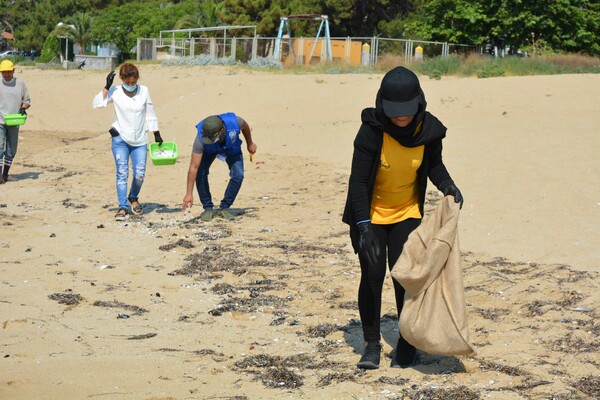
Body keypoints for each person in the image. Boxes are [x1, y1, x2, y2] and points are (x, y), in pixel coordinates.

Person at [342, 66, 463, 370]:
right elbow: (357, 182)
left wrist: (447, 184)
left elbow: (434, 165)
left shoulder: (428, 131)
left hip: (406, 212)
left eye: (406, 111)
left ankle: (407, 344)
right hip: (369, 215)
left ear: (419, 104)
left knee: (405, 277)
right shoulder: (371, 129)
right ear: (383, 105)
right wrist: (363, 226)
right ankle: (371, 344)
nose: (401, 117)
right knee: (371, 275)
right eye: (395, 112)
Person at [92, 63, 164, 221]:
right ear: (122, 79)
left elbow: (150, 113)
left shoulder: (144, 90)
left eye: (133, 82)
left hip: (140, 140)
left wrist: (156, 133)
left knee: (139, 174)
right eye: (127, 82)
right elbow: (97, 103)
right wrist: (106, 86)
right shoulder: (115, 91)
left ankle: (133, 197)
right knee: (122, 173)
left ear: (137, 78)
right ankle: (123, 206)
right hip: (120, 139)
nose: (131, 85)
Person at [182, 113, 257, 221]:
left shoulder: (235, 122)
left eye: (212, 137)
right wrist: (189, 194)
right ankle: (208, 208)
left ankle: (225, 207)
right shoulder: (200, 140)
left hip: (231, 148)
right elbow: (194, 167)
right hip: (210, 150)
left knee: (238, 175)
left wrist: (249, 143)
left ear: (221, 130)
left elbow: (245, 126)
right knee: (200, 173)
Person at [0, 59, 31, 184]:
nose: (6, 74)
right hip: (0, 121)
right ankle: (0, 178)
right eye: (4, 72)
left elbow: (27, 100)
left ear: (13, 71)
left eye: (9, 72)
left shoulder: (20, 84)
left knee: (11, 149)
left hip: (14, 121)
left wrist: (23, 108)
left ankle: (5, 175)